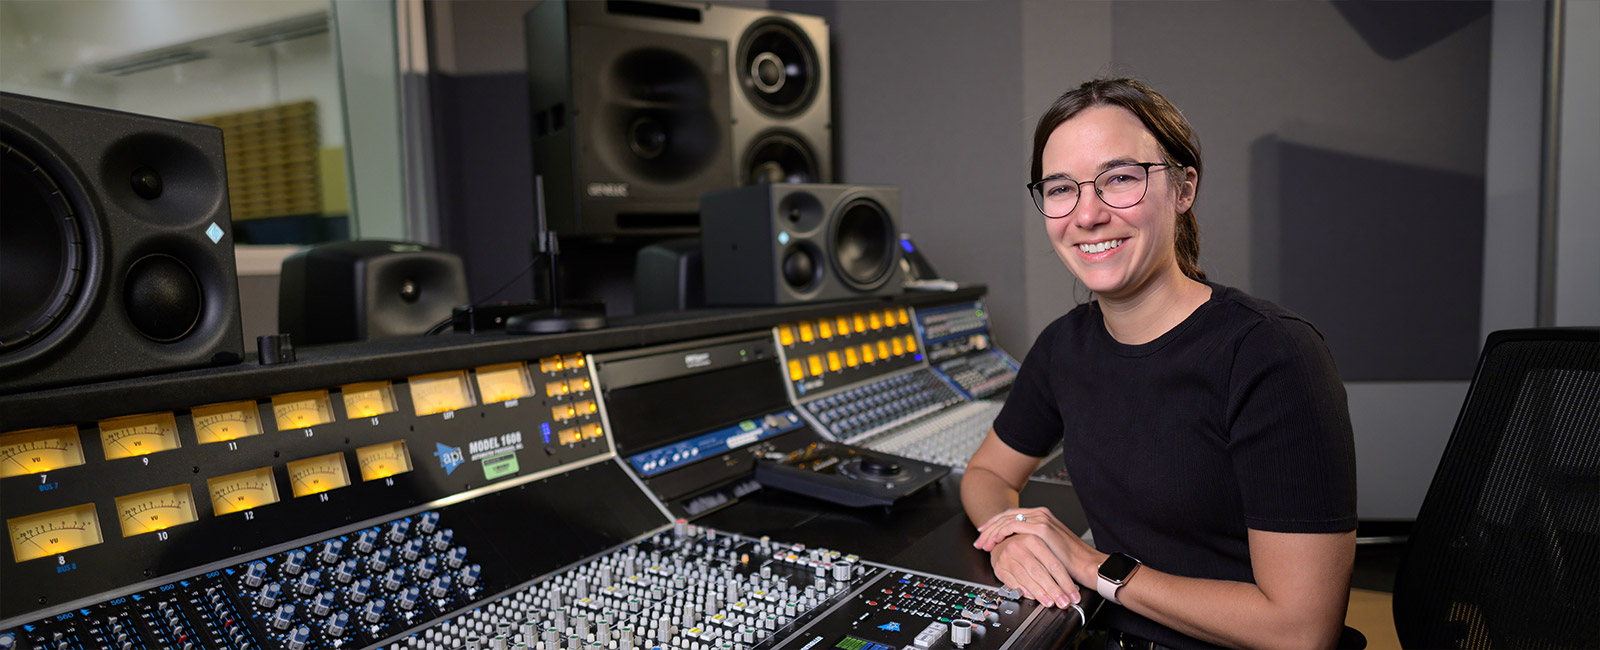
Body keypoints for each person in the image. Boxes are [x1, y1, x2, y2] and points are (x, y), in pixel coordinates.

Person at [960, 78, 1358, 650]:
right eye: (1060, 188)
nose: (1087, 214)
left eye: (1119, 178)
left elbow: (1300, 630)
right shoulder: (1063, 346)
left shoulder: (1272, 355)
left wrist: (1090, 562)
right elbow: (987, 476)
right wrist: (1010, 536)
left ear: (1182, 189)